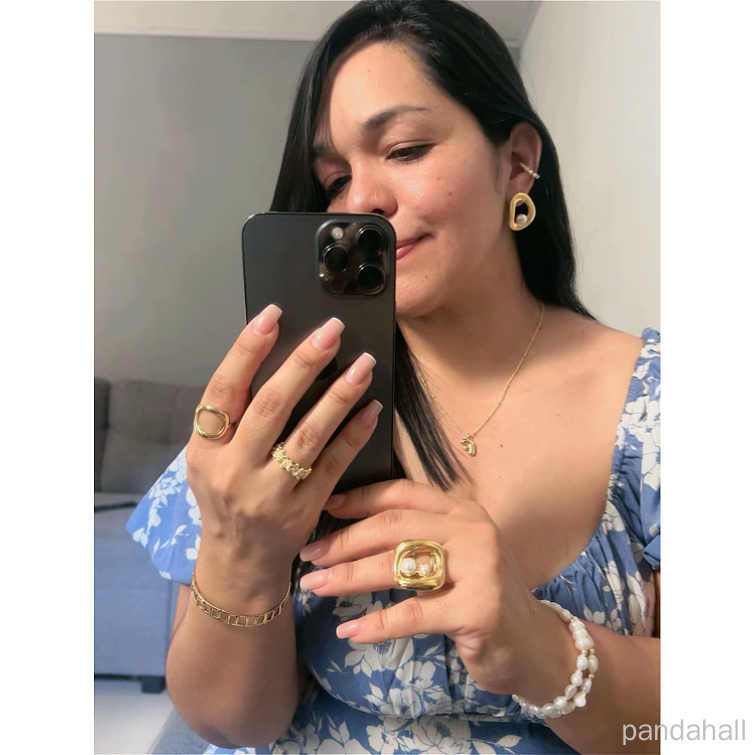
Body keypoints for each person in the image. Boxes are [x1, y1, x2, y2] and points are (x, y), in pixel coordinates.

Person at [126, 1, 660, 752]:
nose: (360, 203)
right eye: (333, 177)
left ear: (516, 162)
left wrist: (539, 646)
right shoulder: (277, 405)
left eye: (405, 149)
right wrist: (242, 550)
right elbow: (226, 720)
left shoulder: (660, 405)